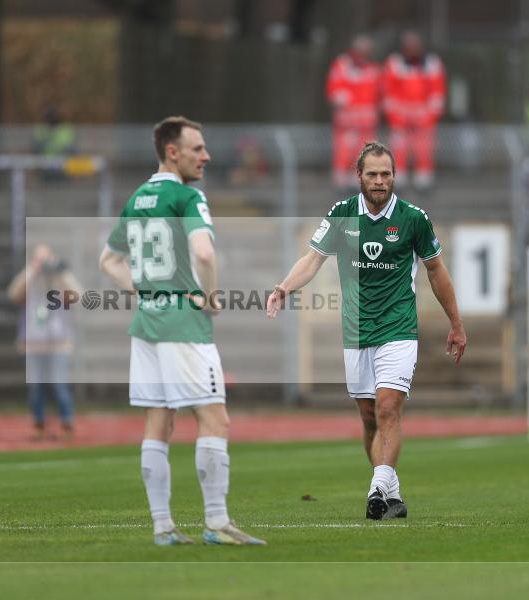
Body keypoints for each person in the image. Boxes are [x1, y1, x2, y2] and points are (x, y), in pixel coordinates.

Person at [266, 141, 466, 520]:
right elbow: (312, 261)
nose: (380, 181)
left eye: (386, 174)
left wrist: (456, 324)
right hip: (356, 332)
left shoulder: (413, 219)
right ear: (358, 176)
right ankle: (391, 492)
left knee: (388, 408)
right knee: (369, 417)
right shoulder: (342, 214)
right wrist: (284, 287)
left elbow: (436, 271)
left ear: (394, 176)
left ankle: (377, 487)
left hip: (398, 327)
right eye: (372, 174)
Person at [99, 116, 265, 546]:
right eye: (197, 148)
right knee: (215, 418)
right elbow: (204, 252)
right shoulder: (188, 195)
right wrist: (209, 297)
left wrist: (144, 292)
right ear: (173, 152)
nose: (206, 156)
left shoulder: (138, 197)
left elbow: (108, 260)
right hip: (183, 324)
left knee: (158, 423)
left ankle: (163, 527)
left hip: (147, 322)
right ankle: (216, 522)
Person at [7, 244, 79, 440]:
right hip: (33, 344)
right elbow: (14, 293)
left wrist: (61, 271)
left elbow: (77, 294)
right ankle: (38, 425)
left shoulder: (59, 281)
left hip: (58, 343)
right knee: (36, 388)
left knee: (59, 386)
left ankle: (66, 424)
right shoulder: (29, 282)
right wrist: (32, 269)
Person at [381, 31, 446, 190]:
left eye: (415, 46)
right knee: (399, 148)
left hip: (424, 117)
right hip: (400, 117)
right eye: (409, 46)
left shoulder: (432, 64)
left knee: (424, 150)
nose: (412, 49)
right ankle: (399, 178)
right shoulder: (394, 63)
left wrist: (428, 116)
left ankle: (423, 180)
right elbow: (388, 93)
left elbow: (437, 93)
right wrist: (397, 116)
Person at [326, 34, 381, 191]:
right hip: (347, 118)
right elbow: (335, 90)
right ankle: (340, 179)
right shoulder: (342, 65)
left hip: (366, 119)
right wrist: (344, 102)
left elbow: (377, 93)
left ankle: (356, 179)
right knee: (344, 148)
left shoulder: (373, 68)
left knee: (364, 150)